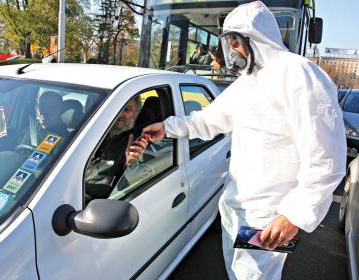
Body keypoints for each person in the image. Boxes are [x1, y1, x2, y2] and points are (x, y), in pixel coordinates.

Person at [142, 1, 346, 279]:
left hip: (270, 219)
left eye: (236, 42)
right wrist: (167, 128)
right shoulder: (249, 80)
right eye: (230, 43)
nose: (232, 51)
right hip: (236, 208)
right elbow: (208, 120)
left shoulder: (298, 74)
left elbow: (326, 158)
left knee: (256, 276)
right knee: (238, 272)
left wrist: (295, 216)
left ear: (256, 39)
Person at [84, 97, 149, 200]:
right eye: (117, 109)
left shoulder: (137, 141)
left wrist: (130, 165)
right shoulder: (93, 130)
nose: (119, 114)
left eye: (127, 110)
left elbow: (137, 180)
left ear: (136, 114)